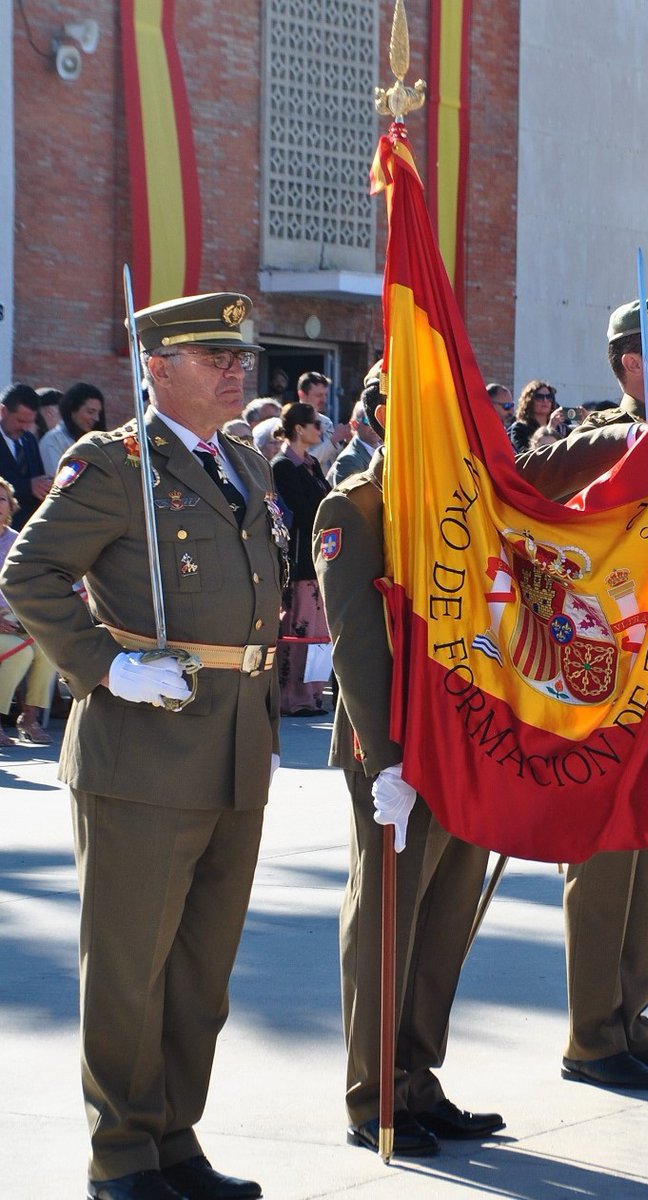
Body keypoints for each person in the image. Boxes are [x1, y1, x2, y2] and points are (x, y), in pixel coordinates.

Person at [0, 292, 284, 1200]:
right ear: (156, 368)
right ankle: (121, 1153)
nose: (235, 369)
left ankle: (174, 1141)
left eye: (237, 357)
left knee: (202, 972)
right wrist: (103, 667)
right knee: (131, 968)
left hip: (234, 744)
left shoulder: (244, 462)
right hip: (143, 747)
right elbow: (30, 571)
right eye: (213, 358)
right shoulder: (114, 463)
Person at [516, 298, 648, 1091]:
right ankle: (591, 1035)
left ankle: (631, 1020)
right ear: (633, 363)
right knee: (601, 862)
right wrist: (631, 438)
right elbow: (527, 477)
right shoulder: (595, 436)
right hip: (604, 682)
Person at [313, 365, 504, 1158]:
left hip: (466, 746)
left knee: (446, 918)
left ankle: (418, 1082)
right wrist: (387, 761)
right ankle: (371, 1094)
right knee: (387, 920)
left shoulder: (472, 501)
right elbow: (358, 643)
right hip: (392, 750)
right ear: (388, 413)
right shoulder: (356, 506)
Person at [272, 402, 331, 716]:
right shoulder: (283, 465)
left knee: (319, 631)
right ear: (299, 429)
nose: (320, 431)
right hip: (297, 560)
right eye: (315, 425)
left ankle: (312, 695)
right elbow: (304, 510)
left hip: (318, 557)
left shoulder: (311, 463)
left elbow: (326, 498)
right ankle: (293, 697)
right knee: (299, 626)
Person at [0, 476, 56, 744]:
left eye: (2, 499)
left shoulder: (19, 541)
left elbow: (33, 583)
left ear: (11, 507)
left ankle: (29, 719)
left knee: (46, 651)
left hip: (20, 620)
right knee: (19, 654)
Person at [0, 383, 52, 528]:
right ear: (3, 411)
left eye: (30, 422)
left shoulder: (29, 440)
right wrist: (28, 486)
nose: (25, 427)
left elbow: (37, 478)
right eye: (21, 421)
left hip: (26, 530)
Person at [39, 381, 105, 473]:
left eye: (98, 413)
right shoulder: (53, 441)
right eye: (90, 412)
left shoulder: (96, 443)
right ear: (73, 410)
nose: (96, 418)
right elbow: (55, 481)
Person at [297, 370, 350, 474]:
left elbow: (334, 458)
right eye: (318, 395)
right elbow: (305, 461)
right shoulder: (294, 423)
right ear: (302, 395)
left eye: (325, 395)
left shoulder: (326, 422)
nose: (324, 400)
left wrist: (346, 442)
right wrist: (333, 440)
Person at [326, 393, 381, 487]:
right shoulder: (348, 460)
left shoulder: (381, 450)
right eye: (367, 421)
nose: (373, 426)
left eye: (376, 419)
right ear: (355, 424)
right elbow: (353, 500)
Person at [507, 379, 566, 453]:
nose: (545, 400)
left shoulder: (561, 428)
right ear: (529, 400)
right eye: (539, 397)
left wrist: (583, 423)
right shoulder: (519, 428)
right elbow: (524, 455)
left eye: (549, 396)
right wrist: (550, 428)